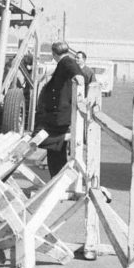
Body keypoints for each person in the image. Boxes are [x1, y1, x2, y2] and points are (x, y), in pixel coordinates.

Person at [35, 40, 85, 175]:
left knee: (38, 138)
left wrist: (78, 83)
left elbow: (79, 76)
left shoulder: (66, 62)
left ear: (54, 54)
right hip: (57, 114)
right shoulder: (62, 64)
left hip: (59, 115)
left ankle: (67, 137)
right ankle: (57, 179)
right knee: (55, 153)